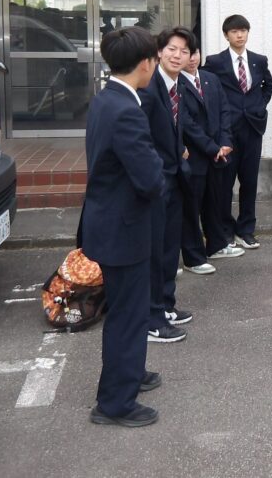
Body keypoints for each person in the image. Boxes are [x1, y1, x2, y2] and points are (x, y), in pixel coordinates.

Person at [79, 27, 165, 428]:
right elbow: (150, 178)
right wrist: (160, 171)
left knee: (127, 309)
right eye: (156, 59)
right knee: (128, 315)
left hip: (110, 220)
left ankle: (131, 371)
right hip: (123, 227)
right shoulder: (127, 110)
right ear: (145, 63)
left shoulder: (106, 99)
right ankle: (115, 403)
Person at [137, 27, 196, 343]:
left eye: (184, 51)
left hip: (175, 177)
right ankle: (151, 317)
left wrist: (180, 149)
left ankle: (166, 304)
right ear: (159, 52)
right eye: (172, 49)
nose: (177, 55)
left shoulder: (180, 85)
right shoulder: (148, 88)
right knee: (154, 248)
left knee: (170, 246)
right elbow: (142, 137)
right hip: (156, 179)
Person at [205, 14, 272, 250]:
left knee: (249, 180)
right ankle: (226, 229)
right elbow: (207, 87)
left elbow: (269, 85)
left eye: (243, 30)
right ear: (226, 35)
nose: (240, 35)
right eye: (234, 31)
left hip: (253, 128)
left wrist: (259, 105)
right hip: (227, 130)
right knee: (225, 182)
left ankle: (246, 229)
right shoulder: (215, 62)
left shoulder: (258, 60)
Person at [180, 43, 245, 262]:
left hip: (218, 154)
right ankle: (194, 255)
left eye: (195, 53)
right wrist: (211, 147)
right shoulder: (177, 84)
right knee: (192, 207)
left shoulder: (211, 79)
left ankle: (216, 245)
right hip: (195, 155)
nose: (192, 58)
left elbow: (225, 110)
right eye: (187, 54)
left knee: (214, 202)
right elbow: (186, 123)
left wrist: (225, 141)